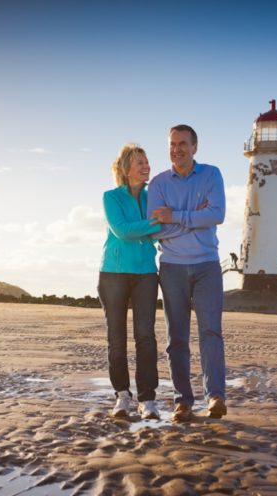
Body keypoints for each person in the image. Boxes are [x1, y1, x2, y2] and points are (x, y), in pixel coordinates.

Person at [148, 124, 227, 422]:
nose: (176, 149)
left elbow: (217, 215)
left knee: (211, 333)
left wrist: (176, 216)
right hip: (171, 267)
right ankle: (183, 401)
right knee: (176, 337)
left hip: (207, 264)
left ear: (195, 147)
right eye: (172, 144)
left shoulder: (211, 174)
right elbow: (157, 228)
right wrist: (197, 215)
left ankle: (216, 396)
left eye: (182, 143)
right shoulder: (157, 184)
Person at [98, 143, 162, 420]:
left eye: (147, 161)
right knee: (116, 339)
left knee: (146, 338)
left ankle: (147, 400)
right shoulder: (111, 197)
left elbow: (163, 229)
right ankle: (122, 396)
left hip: (146, 272)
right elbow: (122, 231)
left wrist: (154, 226)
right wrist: (152, 225)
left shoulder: (154, 196)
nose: (146, 166)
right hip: (113, 273)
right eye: (140, 162)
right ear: (126, 169)